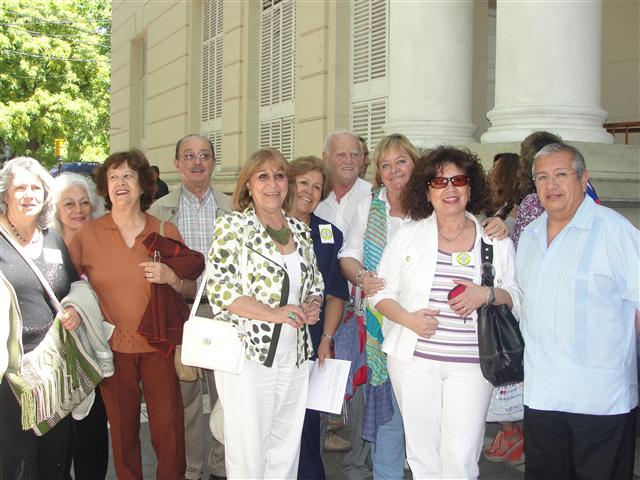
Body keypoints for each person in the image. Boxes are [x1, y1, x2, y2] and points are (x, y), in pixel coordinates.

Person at [370, 147, 521, 479]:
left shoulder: (494, 241)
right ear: (427, 190)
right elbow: (379, 291)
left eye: (458, 180)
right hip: (414, 361)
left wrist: (487, 294)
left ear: (470, 188)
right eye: (440, 181)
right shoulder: (408, 237)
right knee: (422, 454)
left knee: (461, 457)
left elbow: (517, 298)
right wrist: (408, 319)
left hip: (472, 364)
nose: (450, 189)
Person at [517, 143, 639, 480]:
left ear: (584, 179)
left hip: (600, 396)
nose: (551, 185)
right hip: (543, 393)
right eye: (542, 177)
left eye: (560, 174)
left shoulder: (613, 230)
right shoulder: (529, 235)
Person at [69, 149, 192, 479]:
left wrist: (173, 279)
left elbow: (191, 289)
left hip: (159, 347)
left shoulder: (165, 230)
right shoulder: (88, 235)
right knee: (122, 435)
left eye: (127, 176)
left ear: (142, 185)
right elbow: (65, 285)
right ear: (105, 189)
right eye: (112, 177)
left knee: (168, 433)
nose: (120, 182)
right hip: (112, 349)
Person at [206, 148, 324, 479]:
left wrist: (313, 305)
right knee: (248, 447)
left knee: (286, 443)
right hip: (249, 354)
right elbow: (222, 290)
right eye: (263, 176)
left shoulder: (299, 230)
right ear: (248, 186)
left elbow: (315, 281)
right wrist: (274, 313)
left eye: (279, 175)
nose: (273, 184)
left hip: (295, 353)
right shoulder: (233, 226)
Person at [149, 134, 231, 480]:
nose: (197, 162)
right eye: (189, 156)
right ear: (177, 163)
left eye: (204, 156)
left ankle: (221, 467)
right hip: (181, 315)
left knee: (226, 398)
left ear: (213, 162)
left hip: (226, 314)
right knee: (186, 400)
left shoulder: (234, 208)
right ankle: (192, 469)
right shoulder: (158, 212)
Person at [339, 133, 420, 479]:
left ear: (416, 164)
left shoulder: (434, 205)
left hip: (423, 324)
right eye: (385, 164)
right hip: (381, 326)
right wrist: (361, 278)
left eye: (401, 161)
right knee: (388, 412)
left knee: (425, 414)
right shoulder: (368, 207)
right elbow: (349, 255)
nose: (393, 170)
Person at [0, 157, 83, 479]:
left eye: (36, 187)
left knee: (55, 457)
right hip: (11, 372)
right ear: (5, 194)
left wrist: (75, 308)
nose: (28, 194)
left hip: (53, 367)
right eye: (20, 187)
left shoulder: (53, 239)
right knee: (16, 460)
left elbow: (75, 286)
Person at [289, 156, 350, 480]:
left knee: (308, 426)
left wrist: (326, 340)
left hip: (311, 345)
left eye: (317, 187)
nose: (310, 192)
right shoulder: (264, 227)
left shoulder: (329, 235)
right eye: (303, 183)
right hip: (271, 343)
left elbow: (336, 294)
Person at [51, 172, 109, 480]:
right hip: (57, 358)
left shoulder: (102, 244)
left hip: (95, 355)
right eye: (69, 203)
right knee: (58, 440)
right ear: (56, 209)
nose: (79, 209)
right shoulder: (43, 245)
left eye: (85, 202)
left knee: (92, 437)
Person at [315, 130, 372, 235]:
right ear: (326, 158)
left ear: (361, 159)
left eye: (354, 155)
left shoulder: (373, 197)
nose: (349, 161)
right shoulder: (313, 196)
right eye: (341, 155)